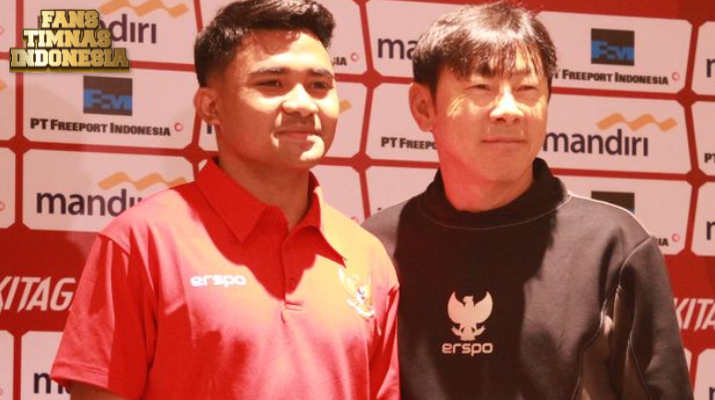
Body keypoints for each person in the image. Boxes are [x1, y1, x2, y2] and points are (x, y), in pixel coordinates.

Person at [51, 1, 400, 399]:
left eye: (319, 85)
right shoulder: (141, 242)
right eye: (272, 83)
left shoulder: (366, 256)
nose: (303, 104)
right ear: (211, 107)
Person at [362, 2, 693, 400]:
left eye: (526, 89)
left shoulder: (613, 245)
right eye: (481, 88)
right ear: (423, 106)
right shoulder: (375, 247)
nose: (509, 110)